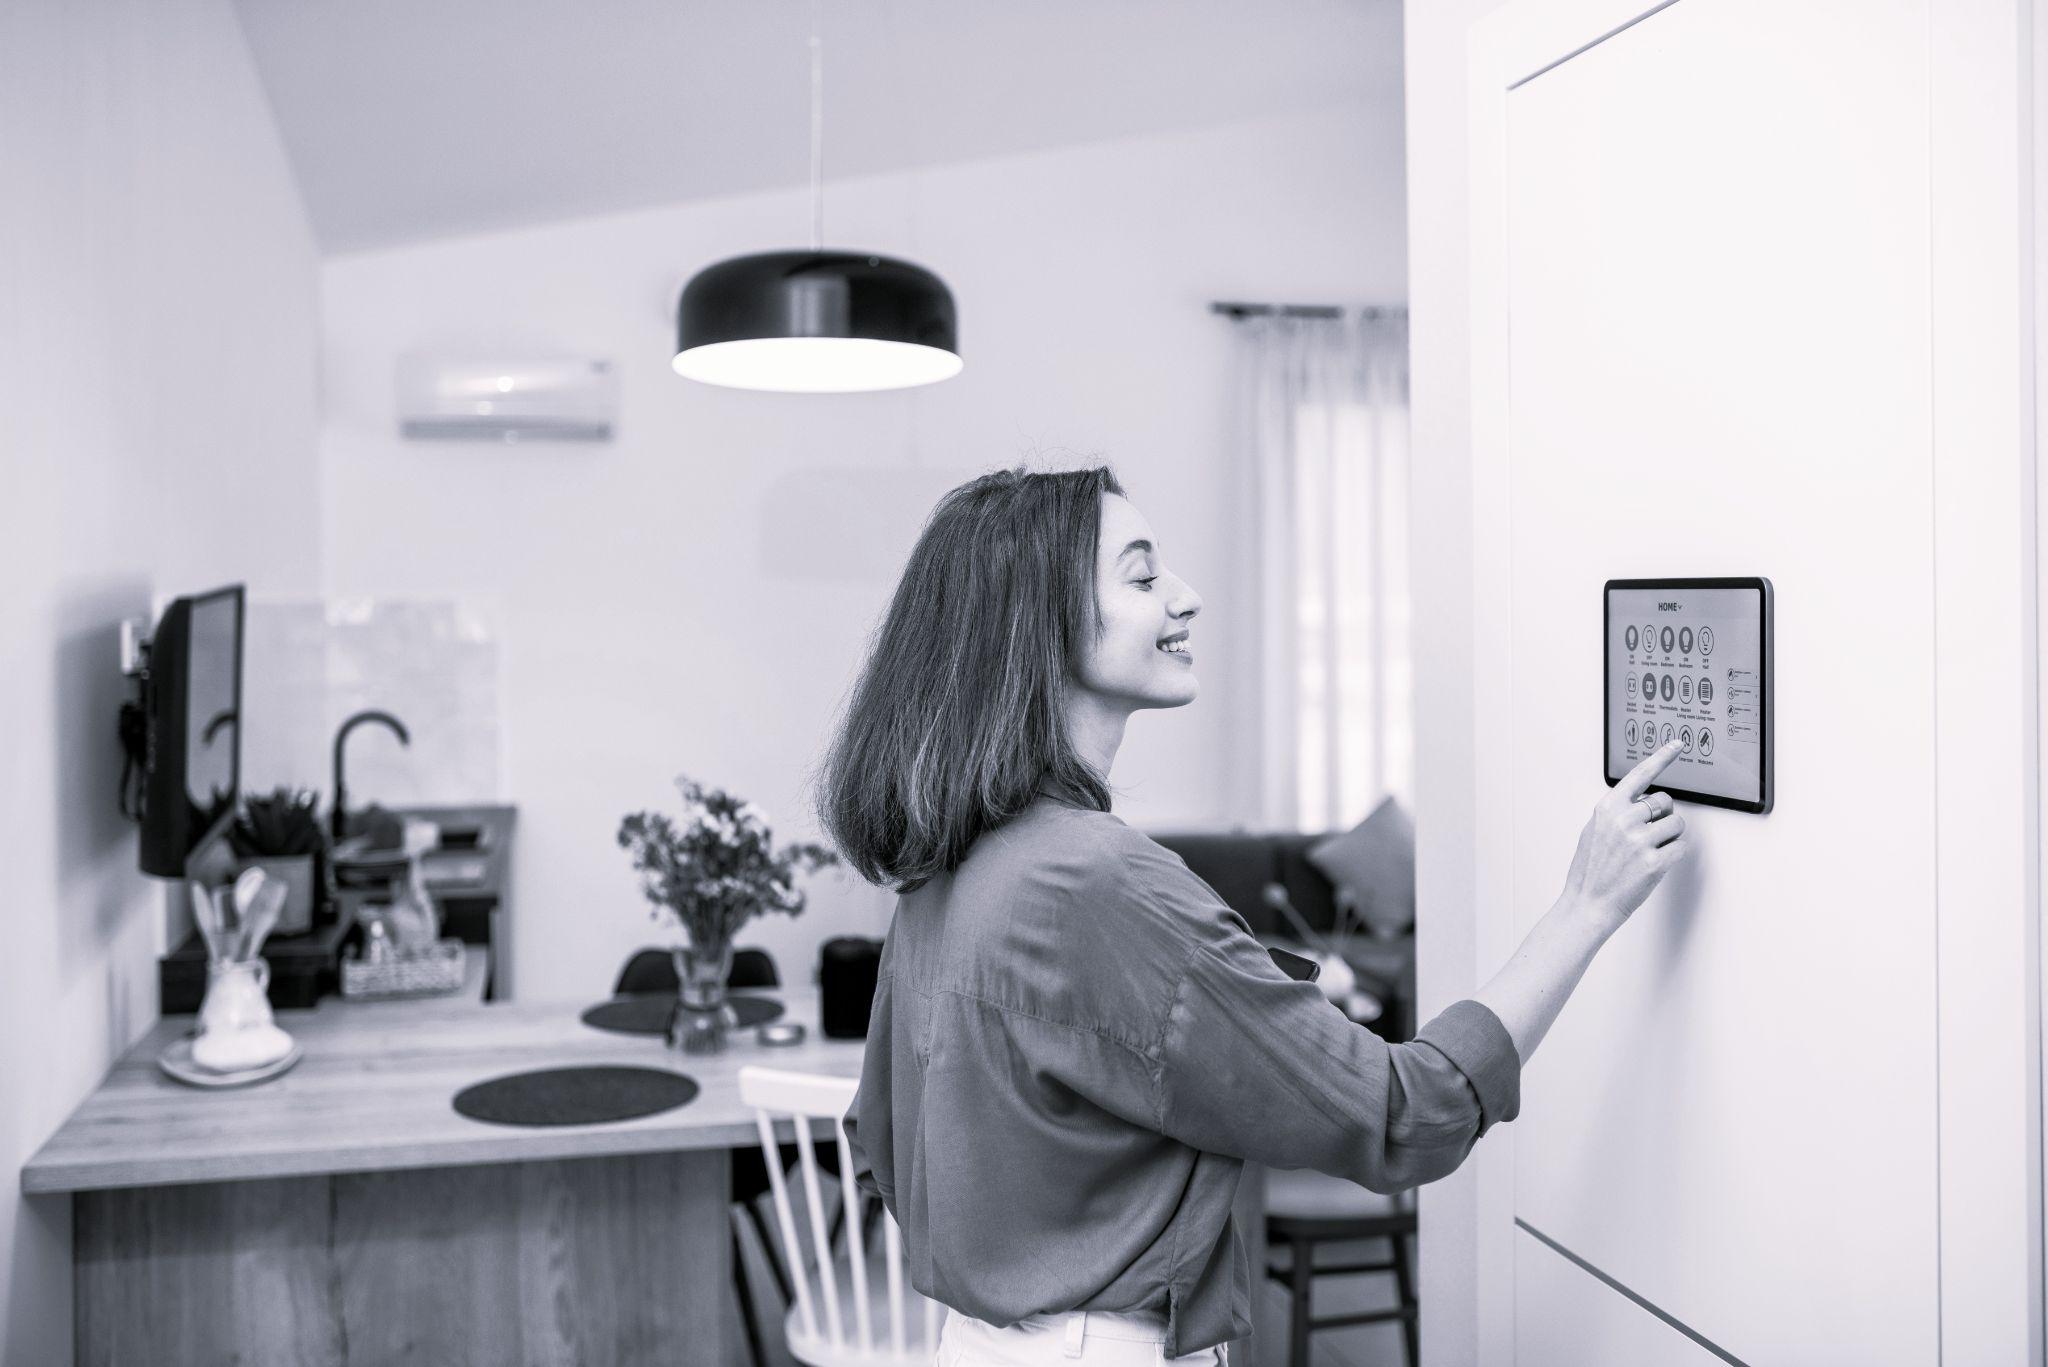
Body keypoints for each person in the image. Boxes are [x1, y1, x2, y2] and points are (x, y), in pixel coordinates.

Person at [816, 465, 1689, 1366]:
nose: (1186, 598)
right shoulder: (1099, 879)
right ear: (1039, 623)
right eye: (1144, 576)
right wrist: (1585, 904)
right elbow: (1404, 1113)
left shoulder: (945, 861)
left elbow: (878, 1142)